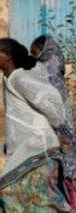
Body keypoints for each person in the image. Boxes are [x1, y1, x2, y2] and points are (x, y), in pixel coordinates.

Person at [0, 37, 71, 211]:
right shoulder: (10, 79)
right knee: (21, 195)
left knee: (19, 193)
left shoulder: (20, 80)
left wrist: (57, 127)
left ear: (7, 56)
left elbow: (50, 107)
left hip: (40, 146)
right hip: (27, 147)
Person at [30, 36, 76, 208]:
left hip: (58, 124)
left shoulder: (49, 67)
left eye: (33, 51)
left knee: (63, 167)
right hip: (61, 122)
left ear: (43, 49)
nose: (32, 55)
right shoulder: (52, 64)